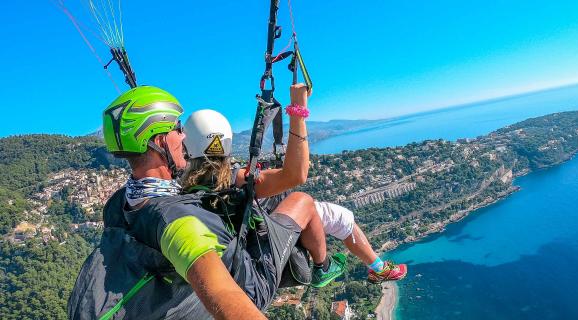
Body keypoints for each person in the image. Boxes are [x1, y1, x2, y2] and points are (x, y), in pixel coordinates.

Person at [68, 85, 343, 320]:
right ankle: (323, 269)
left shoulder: (118, 205)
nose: (184, 136)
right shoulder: (174, 221)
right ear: (159, 140)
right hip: (249, 286)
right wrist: (298, 109)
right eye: (177, 128)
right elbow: (222, 293)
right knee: (302, 201)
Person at [181, 107, 407, 285]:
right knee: (336, 215)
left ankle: (374, 268)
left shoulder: (183, 186)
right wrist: (298, 111)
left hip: (240, 237)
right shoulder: (237, 178)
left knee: (332, 214)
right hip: (264, 231)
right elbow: (295, 174)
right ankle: (330, 267)